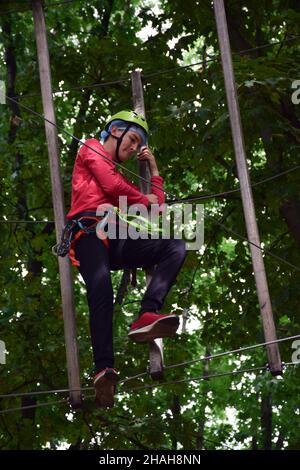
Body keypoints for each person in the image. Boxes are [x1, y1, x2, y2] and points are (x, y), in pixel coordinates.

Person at [66, 110, 186, 407]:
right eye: (132, 140)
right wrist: (145, 200)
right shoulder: (91, 147)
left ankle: (147, 313)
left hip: (115, 236)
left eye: (138, 146)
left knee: (174, 246)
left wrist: (154, 168)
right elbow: (112, 186)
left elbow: (156, 209)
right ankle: (103, 368)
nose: (133, 150)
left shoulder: (119, 176)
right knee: (101, 288)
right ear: (116, 130)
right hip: (90, 233)